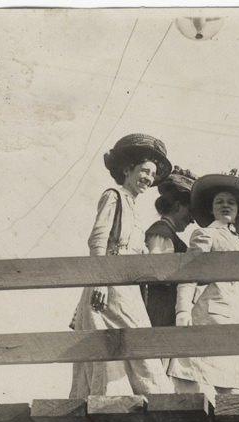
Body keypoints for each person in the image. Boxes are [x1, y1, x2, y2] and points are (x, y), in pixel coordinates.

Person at [69, 134, 173, 398]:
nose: (148, 178)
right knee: (123, 344)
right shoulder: (114, 195)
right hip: (110, 284)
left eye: (152, 174)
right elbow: (98, 239)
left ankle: (143, 398)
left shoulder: (135, 207)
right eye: (144, 171)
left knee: (131, 342)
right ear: (127, 169)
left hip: (128, 287)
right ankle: (148, 397)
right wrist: (101, 280)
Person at [168, 174, 239, 395]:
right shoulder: (206, 234)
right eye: (219, 202)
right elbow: (190, 274)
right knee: (198, 384)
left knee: (235, 392)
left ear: (238, 210)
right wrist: (183, 310)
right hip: (213, 317)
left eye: (231, 202)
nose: (225, 206)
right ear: (211, 209)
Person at [144, 168, 197, 330]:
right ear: (178, 205)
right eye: (190, 211)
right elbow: (159, 271)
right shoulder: (161, 232)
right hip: (158, 305)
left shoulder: (170, 234)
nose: (192, 220)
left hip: (167, 305)